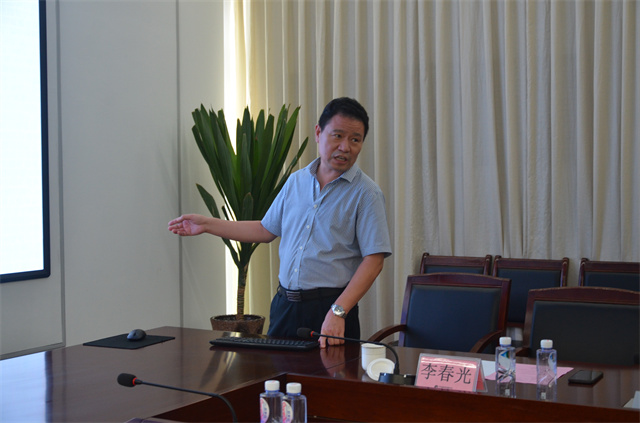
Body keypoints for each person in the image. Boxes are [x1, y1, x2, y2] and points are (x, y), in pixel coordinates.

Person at [168, 97, 392, 348]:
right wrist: (207, 224)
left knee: (330, 374)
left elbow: (374, 260)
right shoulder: (296, 181)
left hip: (330, 308)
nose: (345, 147)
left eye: (355, 140)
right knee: (275, 372)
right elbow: (265, 229)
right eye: (337, 136)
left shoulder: (366, 193)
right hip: (285, 307)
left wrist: (338, 311)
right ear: (318, 133)